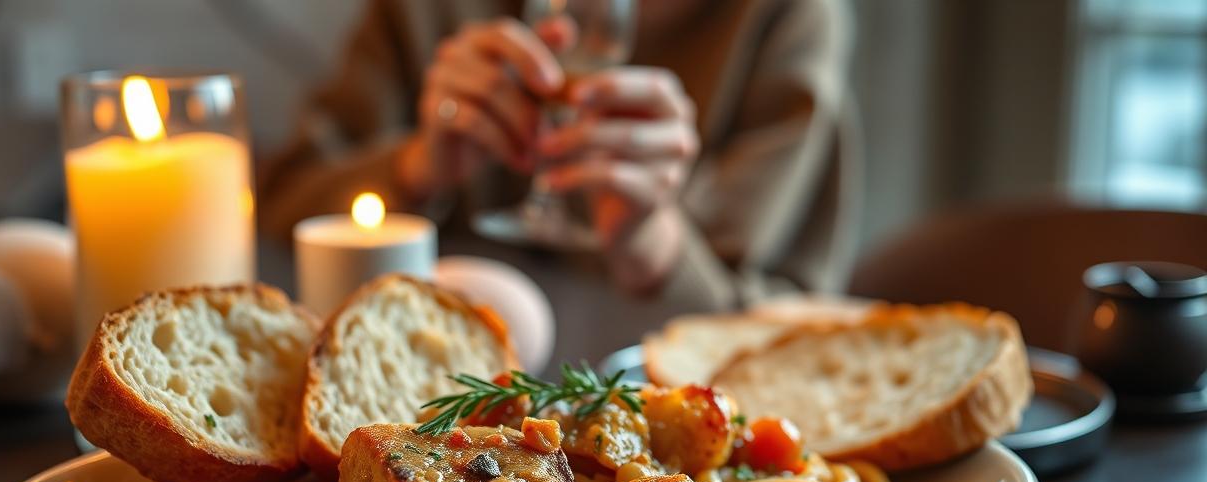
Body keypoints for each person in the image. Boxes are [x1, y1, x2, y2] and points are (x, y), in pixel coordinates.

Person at [259, 0, 855, 311]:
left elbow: (792, 325)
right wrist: (418, 165)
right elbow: (282, 202)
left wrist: (656, 246)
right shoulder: (428, 12)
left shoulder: (783, 20)